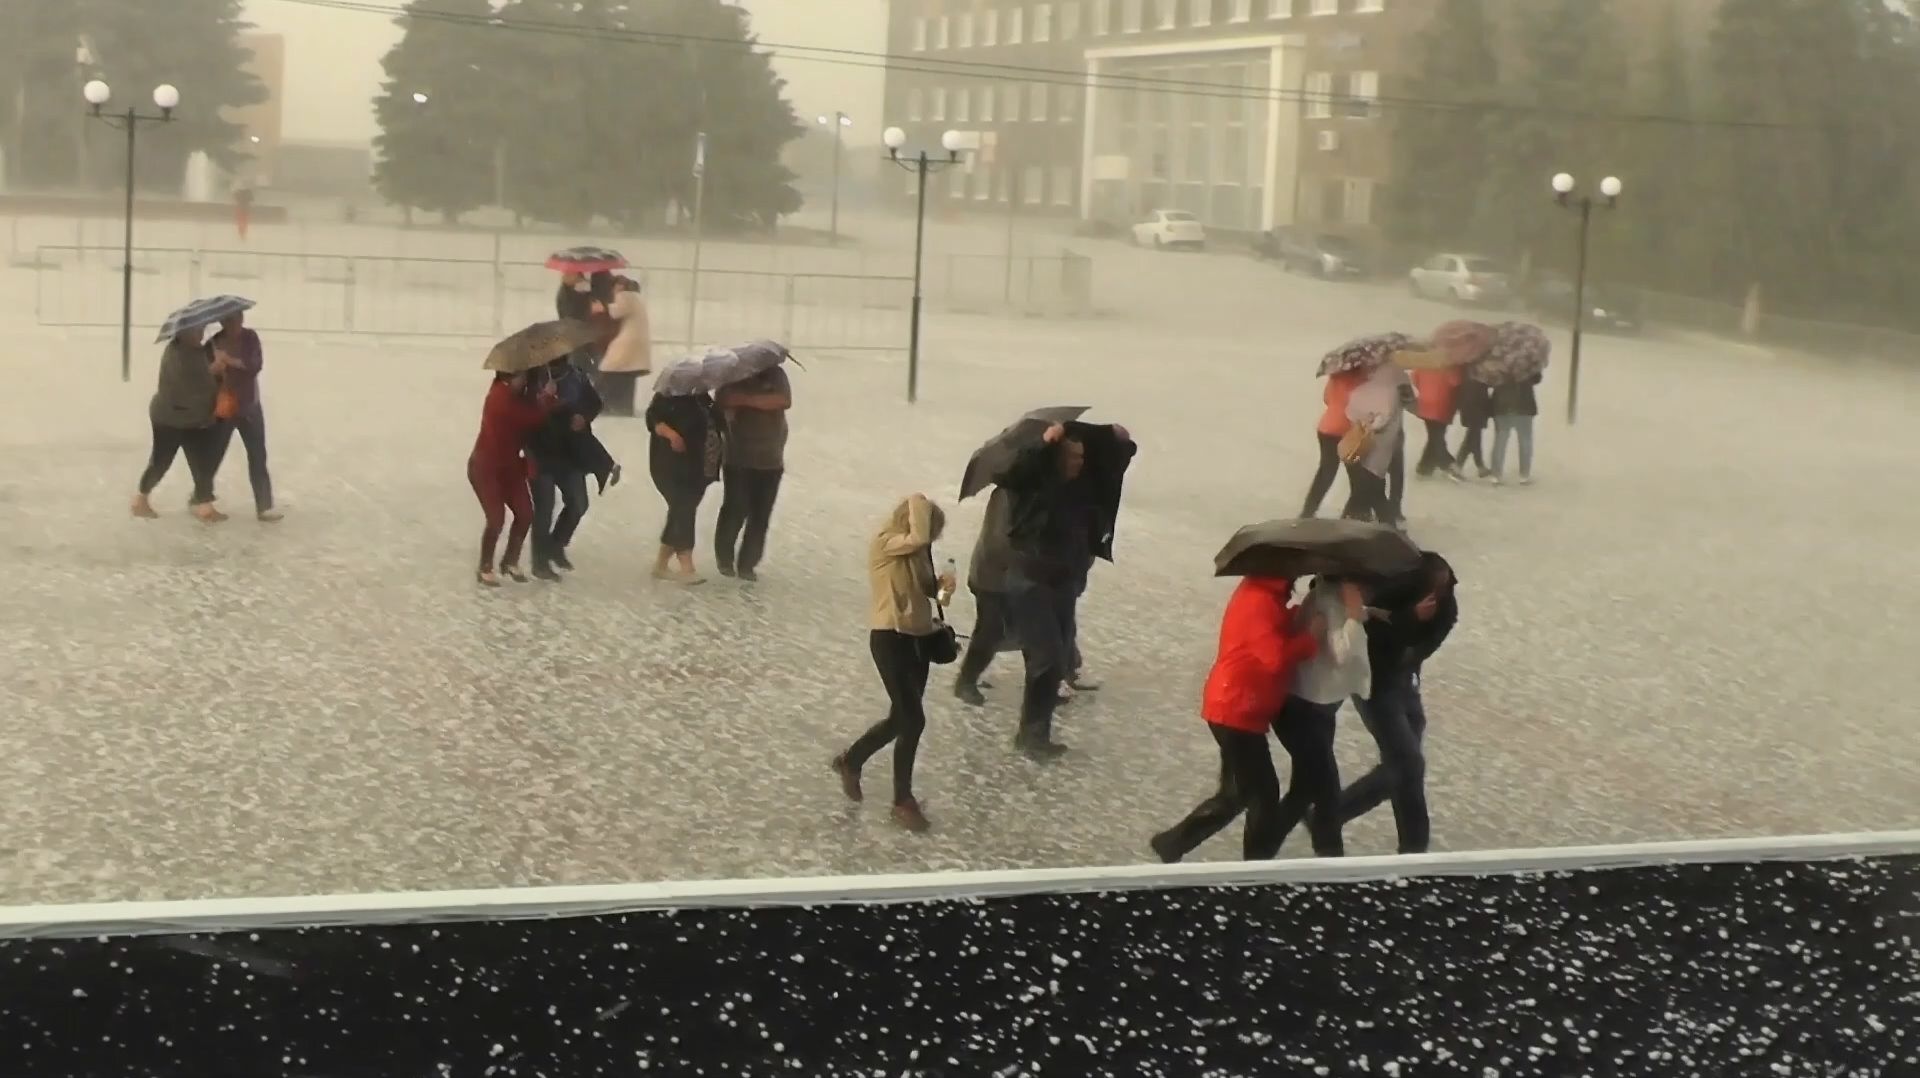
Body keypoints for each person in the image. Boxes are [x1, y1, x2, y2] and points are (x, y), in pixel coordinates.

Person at [1149, 575, 1322, 863]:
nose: (1299, 574)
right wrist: (1310, 639)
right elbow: (1274, 656)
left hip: (1238, 705)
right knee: (1261, 796)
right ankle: (1255, 865)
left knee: (1238, 793)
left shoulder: (1266, 593)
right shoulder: (1259, 600)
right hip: (1236, 708)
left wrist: (1298, 615)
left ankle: (1172, 843)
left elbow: (1270, 633)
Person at [830, 493, 955, 833]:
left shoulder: (918, 553)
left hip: (920, 639)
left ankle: (851, 760)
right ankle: (903, 800)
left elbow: (933, 596)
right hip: (889, 638)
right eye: (930, 526)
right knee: (912, 718)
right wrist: (920, 501)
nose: (931, 536)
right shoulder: (886, 543)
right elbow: (917, 535)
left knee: (903, 717)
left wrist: (945, 588)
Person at [997, 422, 1109, 758]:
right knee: (1046, 658)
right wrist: (1045, 445)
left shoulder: (1077, 491)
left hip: (1060, 584)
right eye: (1072, 457)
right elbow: (1016, 472)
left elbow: (1111, 467)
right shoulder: (1032, 486)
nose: (1078, 463)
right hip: (1029, 583)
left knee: (1056, 661)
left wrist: (1115, 440)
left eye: (1081, 457)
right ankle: (1031, 736)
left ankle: (1036, 733)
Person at [1337, 552, 1458, 855]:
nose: (1437, 596)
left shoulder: (1446, 602)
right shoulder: (1390, 592)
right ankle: (1333, 815)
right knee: (1407, 763)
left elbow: (1425, 644)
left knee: (1407, 765)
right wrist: (1409, 619)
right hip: (1374, 684)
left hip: (1404, 680)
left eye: (1442, 590)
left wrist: (1413, 646)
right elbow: (1369, 643)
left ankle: (1413, 846)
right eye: (1432, 589)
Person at [1273, 576, 1371, 858]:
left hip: (1313, 705)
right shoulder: (1330, 601)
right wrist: (1354, 615)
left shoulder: (1322, 596)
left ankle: (1260, 853)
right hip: (1307, 708)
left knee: (1306, 790)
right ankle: (1331, 862)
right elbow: (1342, 653)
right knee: (1325, 793)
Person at [132, 326, 233, 524]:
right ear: (183, 334)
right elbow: (200, 385)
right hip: (170, 419)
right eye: (196, 332)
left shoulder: (193, 351)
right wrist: (217, 369)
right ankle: (140, 500)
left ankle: (204, 505)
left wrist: (215, 363)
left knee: (202, 462)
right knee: (161, 461)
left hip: (192, 418)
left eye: (201, 330)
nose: (200, 334)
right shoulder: (179, 356)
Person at [469, 371, 557, 586]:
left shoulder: (518, 396)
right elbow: (528, 417)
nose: (525, 380)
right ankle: (485, 566)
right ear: (509, 377)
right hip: (485, 467)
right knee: (496, 518)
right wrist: (548, 398)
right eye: (521, 377)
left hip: (510, 467)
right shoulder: (499, 398)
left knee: (525, 513)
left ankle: (510, 561)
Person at [526, 358, 606, 580]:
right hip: (540, 453)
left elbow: (595, 402)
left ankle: (556, 544)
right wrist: (543, 399)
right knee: (544, 510)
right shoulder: (533, 378)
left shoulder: (576, 375)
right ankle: (540, 562)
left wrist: (584, 416)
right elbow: (522, 414)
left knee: (579, 503)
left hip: (570, 454)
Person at [713, 362, 792, 582]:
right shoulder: (731, 377)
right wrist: (759, 402)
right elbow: (723, 402)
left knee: (761, 516)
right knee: (734, 509)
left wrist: (747, 400)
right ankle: (724, 558)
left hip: (771, 459)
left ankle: (748, 565)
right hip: (739, 458)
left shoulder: (775, 374)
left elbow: (783, 401)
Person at [207, 310, 281, 522]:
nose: (235, 323)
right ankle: (201, 496)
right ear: (223, 321)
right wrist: (215, 367)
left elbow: (255, 365)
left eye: (238, 318)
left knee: (258, 456)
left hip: (250, 407)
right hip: (225, 407)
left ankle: (264, 506)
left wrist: (230, 360)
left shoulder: (251, 338)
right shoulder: (214, 342)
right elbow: (206, 373)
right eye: (230, 320)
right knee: (214, 455)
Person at [645, 387, 722, 584]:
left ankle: (661, 564)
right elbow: (652, 419)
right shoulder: (668, 395)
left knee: (680, 510)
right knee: (684, 509)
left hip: (701, 466)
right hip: (672, 467)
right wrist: (671, 435)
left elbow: (716, 422)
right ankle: (686, 565)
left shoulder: (703, 398)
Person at [953, 486, 1018, 707]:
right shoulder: (1008, 495)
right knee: (990, 630)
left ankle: (1054, 679)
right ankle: (966, 681)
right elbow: (998, 543)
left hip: (1011, 577)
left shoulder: (1032, 494)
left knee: (1035, 628)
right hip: (992, 577)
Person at [1341, 363, 1407, 525]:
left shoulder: (1385, 391)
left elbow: (1382, 418)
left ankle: (1381, 524)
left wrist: (1367, 422)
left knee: (1371, 488)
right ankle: (1384, 523)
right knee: (1372, 488)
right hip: (1375, 446)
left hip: (1376, 447)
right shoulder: (1388, 388)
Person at [1300, 366, 1366, 518]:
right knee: (1358, 475)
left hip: (1326, 428)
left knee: (1326, 472)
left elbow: (1327, 399)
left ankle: (1308, 511)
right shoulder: (1363, 381)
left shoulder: (1335, 376)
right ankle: (1352, 514)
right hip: (1347, 431)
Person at [597, 276, 651, 416]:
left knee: (609, 371)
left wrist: (601, 306)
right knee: (626, 376)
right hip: (636, 344)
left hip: (627, 344)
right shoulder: (637, 298)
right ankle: (624, 408)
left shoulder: (625, 296)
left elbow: (616, 312)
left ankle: (605, 407)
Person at [1488, 374, 1542, 486]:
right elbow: (1536, 378)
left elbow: (1490, 379)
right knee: (1525, 440)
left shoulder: (1497, 358)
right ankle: (1524, 475)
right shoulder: (1526, 359)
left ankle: (1496, 475)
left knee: (1500, 440)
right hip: (1524, 403)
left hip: (1502, 403)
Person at [1411, 364, 1461, 478]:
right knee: (1437, 436)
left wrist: (1424, 389)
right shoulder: (1449, 364)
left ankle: (1424, 467)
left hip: (1425, 402)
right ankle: (1447, 462)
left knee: (1434, 435)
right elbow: (1455, 382)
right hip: (1442, 403)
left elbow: (1415, 377)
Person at [1451, 374, 1492, 480]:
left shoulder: (1468, 367)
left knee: (1474, 436)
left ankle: (1480, 466)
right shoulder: (1480, 369)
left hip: (1469, 405)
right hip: (1476, 406)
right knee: (1472, 437)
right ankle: (1458, 466)